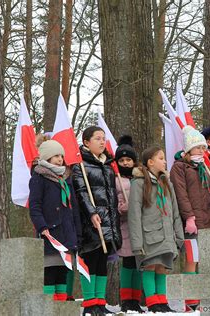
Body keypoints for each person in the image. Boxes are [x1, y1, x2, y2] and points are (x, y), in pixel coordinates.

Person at [170, 126, 210, 311]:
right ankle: (190, 298)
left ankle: (203, 296)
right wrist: (189, 217)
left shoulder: (205, 167)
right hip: (192, 221)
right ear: (189, 149)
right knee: (192, 258)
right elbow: (181, 195)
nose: (201, 151)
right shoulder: (179, 167)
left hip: (209, 219)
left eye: (203, 148)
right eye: (198, 147)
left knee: (205, 260)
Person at [128, 146, 184, 313]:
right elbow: (134, 214)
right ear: (150, 162)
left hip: (167, 235)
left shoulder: (167, 183)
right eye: (161, 158)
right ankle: (152, 302)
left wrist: (179, 236)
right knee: (150, 266)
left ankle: (162, 300)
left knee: (163, 268)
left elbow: (175, 211)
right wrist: (137, 243)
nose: (165, 161)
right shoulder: (138, 184)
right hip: (149, 235)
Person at [72, 126, 122, 315]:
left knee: (103, 262)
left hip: (108, 221)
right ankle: (90, 303)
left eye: (103, 138)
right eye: (97, 138)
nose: (102, 142)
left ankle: (100, 302)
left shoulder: (108, 167)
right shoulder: (80, 166)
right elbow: (81, 192)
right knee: (90, 261)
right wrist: (91, 212)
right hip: (89, 222)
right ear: (86, 142)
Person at [29, 140, 81, 302]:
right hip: (50, 233)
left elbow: (74, 209)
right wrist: (42, 226)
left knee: (62, 273)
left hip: (67, 233)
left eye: (61, 156)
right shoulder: (39, 177)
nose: (60, 159)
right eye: (56, 156)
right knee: (50, 271)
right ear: (47, 157)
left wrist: (77, 232)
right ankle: (49, 306)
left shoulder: (65, 179)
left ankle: (61, 307)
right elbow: (35, 206)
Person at [113, 135, 143, 313]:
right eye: (122, 160)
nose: (125, 163)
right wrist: (123, 206)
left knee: (139, 263)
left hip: (139, 226)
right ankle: (126, 299)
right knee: (128, 263)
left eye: (128, 159)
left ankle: (136, 299)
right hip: (125, 225)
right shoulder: (116, 180)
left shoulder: (138, 178)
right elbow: (115, 203)